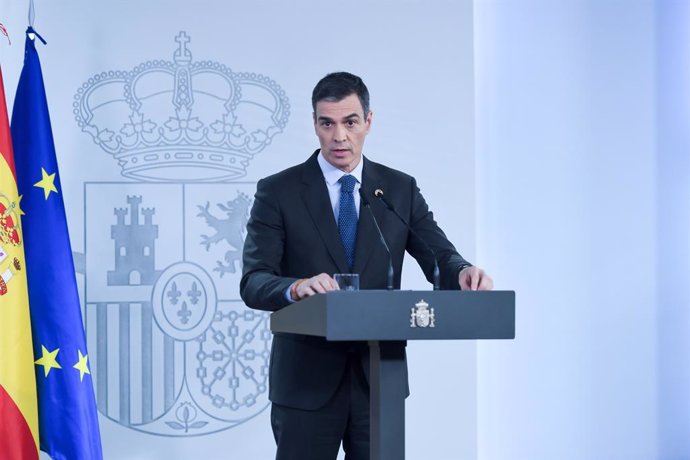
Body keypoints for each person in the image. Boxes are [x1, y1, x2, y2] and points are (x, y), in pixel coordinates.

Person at [240, 71, 493, 460]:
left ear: (368, 122)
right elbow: (255, 281)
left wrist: (462, 271)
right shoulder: (279, 191)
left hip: (379, 384)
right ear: (315, 124)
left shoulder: (398, 189)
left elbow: (439, 255)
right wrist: (295, 288)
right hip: (306, 385)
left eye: (350, 122)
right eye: (328, 123)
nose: (339, 136)